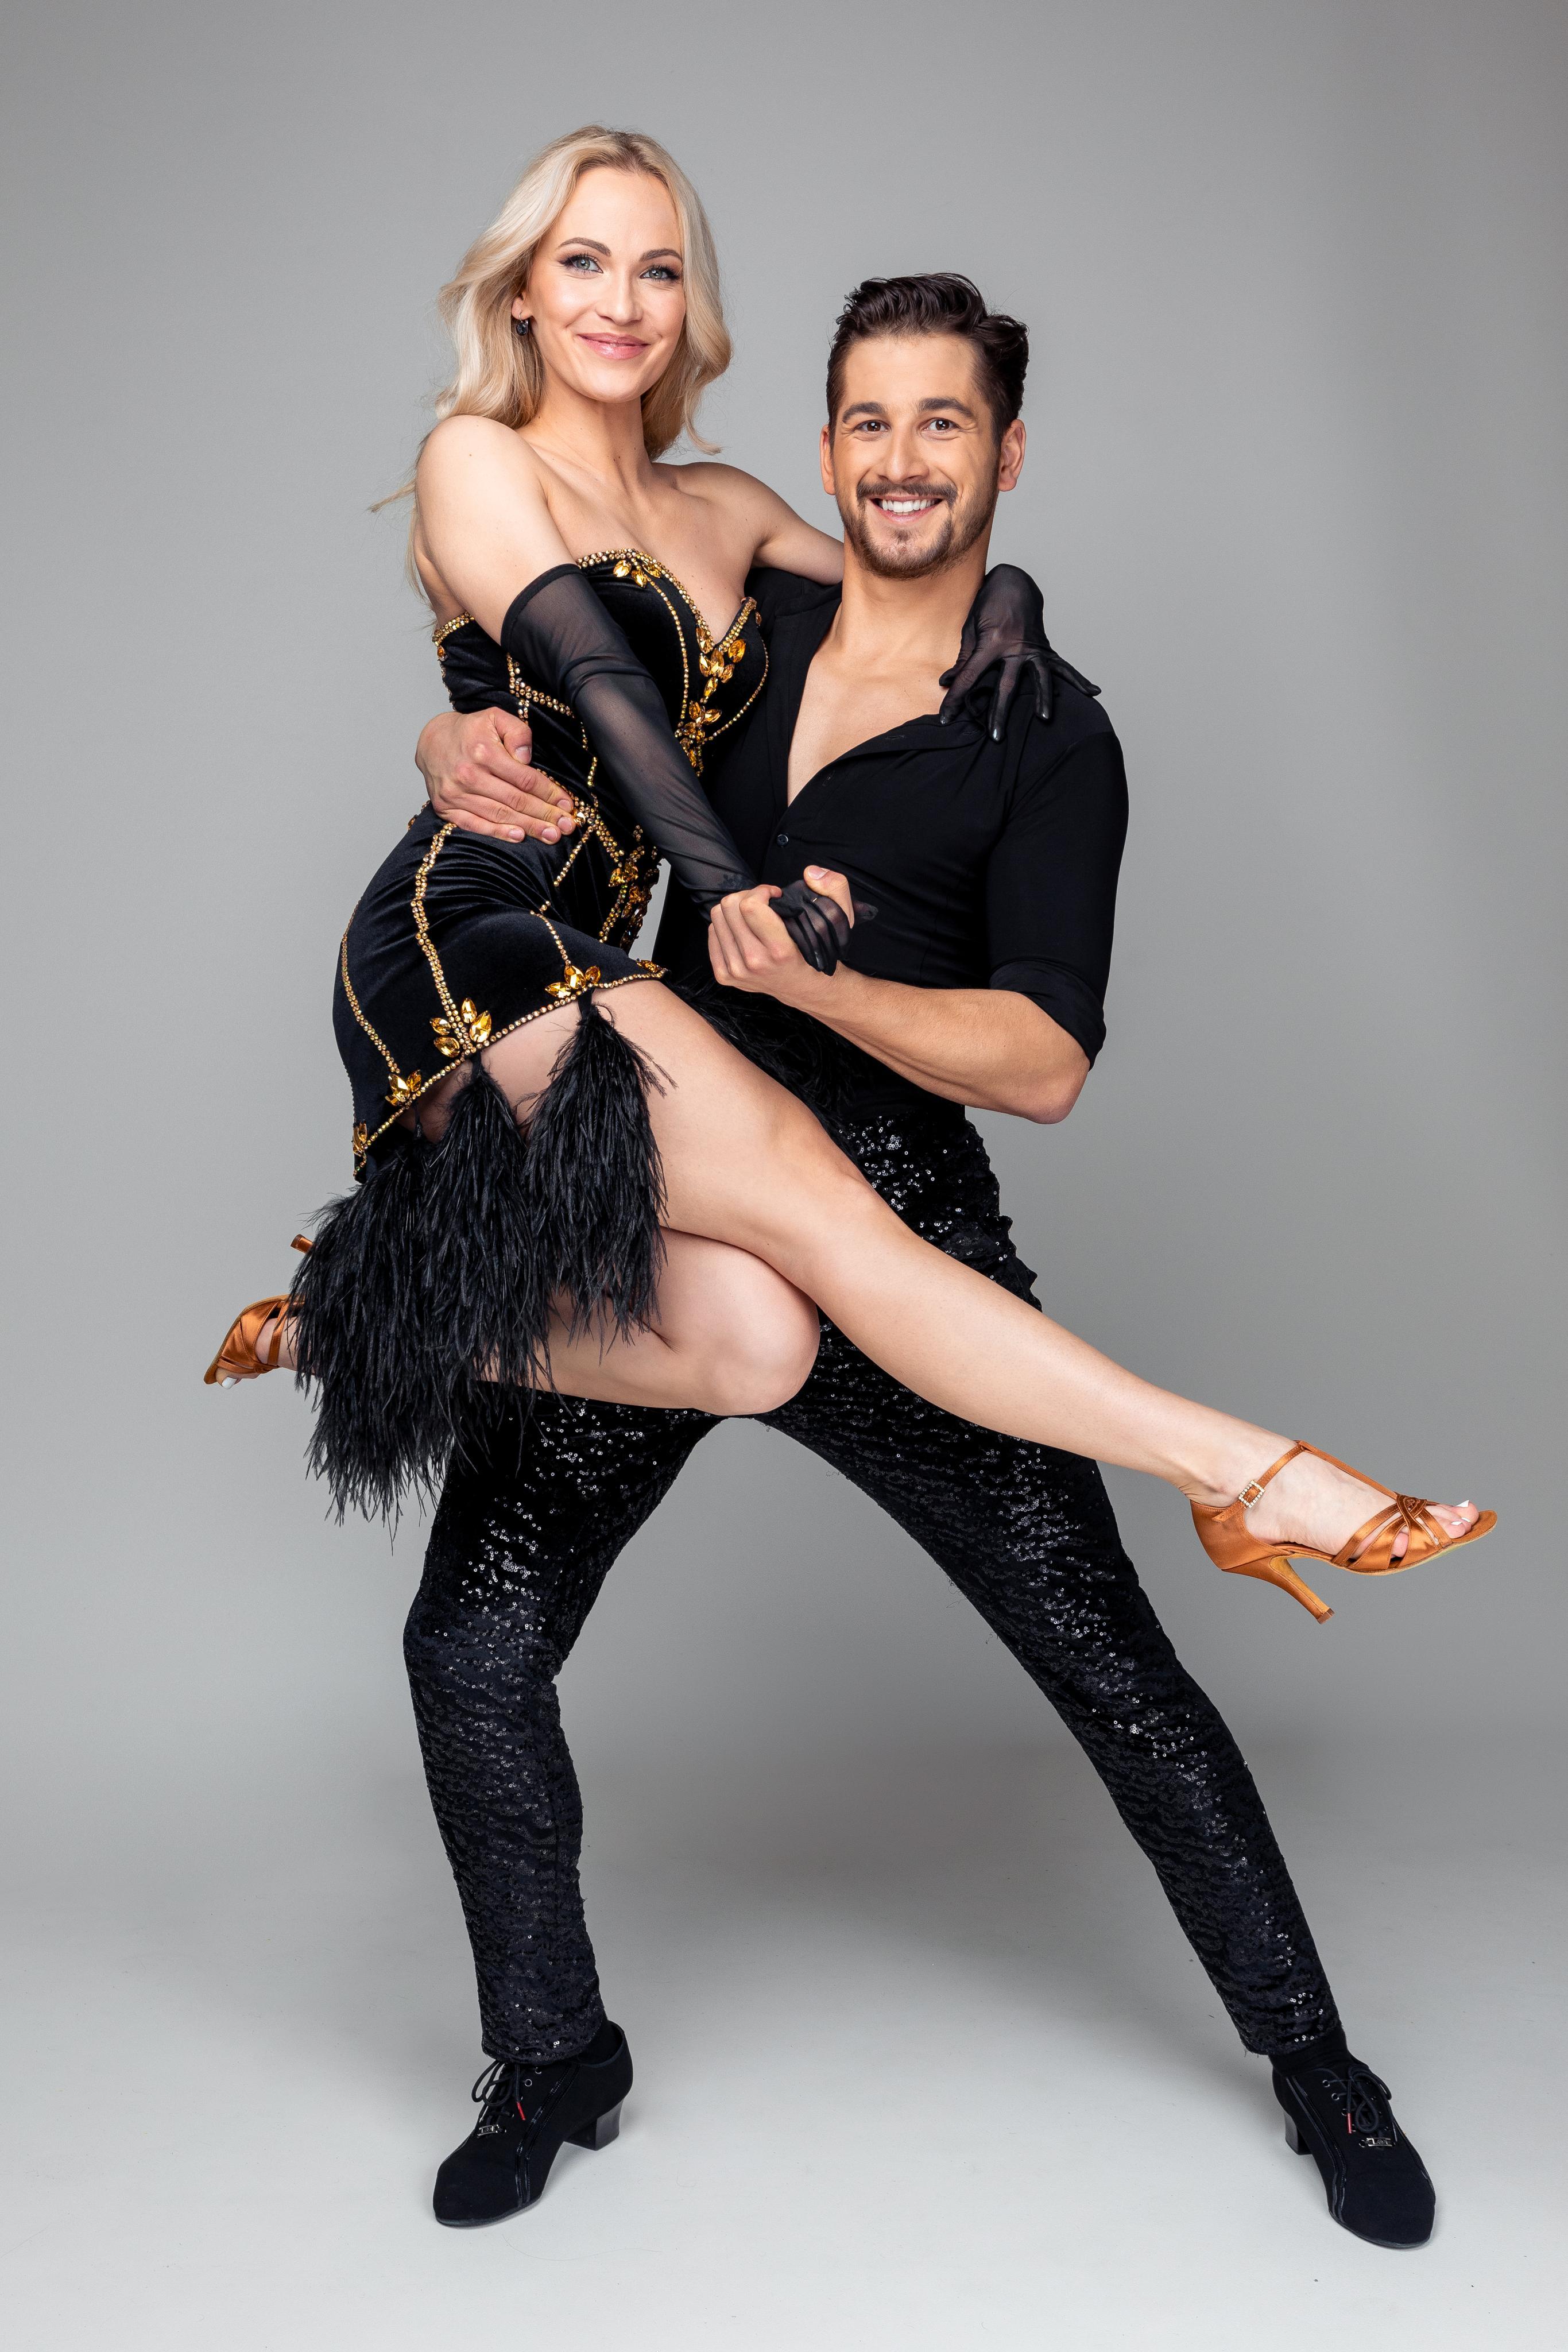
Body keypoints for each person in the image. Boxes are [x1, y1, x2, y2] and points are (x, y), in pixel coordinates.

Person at [208, 133, 1490, 2239]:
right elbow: (565, 704)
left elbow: (1047, 1063)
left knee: (1107, 1660)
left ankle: (1317, 2068)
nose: (902, 462)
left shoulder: (1043, 729)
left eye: (945, 429)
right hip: (637, 1145)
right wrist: (449, 741)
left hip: (887, 1210)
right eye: (872, 426)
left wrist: (848, 956)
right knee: (471, 1644)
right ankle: (550, 2055)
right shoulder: (758, 598)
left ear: (1005, 454)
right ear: (829, 447)